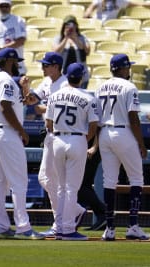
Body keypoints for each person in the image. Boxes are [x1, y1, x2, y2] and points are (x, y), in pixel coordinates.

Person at [0, 48, 44, 240]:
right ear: (9, 61)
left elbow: (20, 102)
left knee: (0, 182)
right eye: (16, 61)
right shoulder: (5, 80)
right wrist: (21, 130)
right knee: (19, 181)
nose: (18, 64)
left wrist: (24, 88)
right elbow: (6, 107)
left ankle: (1, 225)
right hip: (6, 132)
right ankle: (23, 226)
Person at [26, 52, 86, 238]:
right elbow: (32, 102)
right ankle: (71, 211)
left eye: (46, 65)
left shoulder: (65, 83)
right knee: (47, 179)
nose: (43, 67)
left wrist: (48, 105)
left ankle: (60, 221)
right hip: (51, 134)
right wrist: (26, 88)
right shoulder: (46, 82)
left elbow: (49, 107)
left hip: (61, 134)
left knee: (55, 181)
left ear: (56, 66)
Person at [95, 54, 150, 241]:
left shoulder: (101, 86)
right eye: (128, 67)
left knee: (109, 181)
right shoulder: (129, 86)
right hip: (123, 132)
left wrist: (96, 142)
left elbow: (96, 118)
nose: (130, 70)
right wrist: (141, 144)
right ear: (123, 68)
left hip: (104, 133)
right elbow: (134, 118)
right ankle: (133, 225)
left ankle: (109, 228)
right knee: (136, 178)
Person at [45, 62, 98, 240]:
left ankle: (59, 227)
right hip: (77, 139)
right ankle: (67, 229)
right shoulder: (88, 97)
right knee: (71, 188)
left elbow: (48, 124)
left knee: (61, 187)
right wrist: (83, 141)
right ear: (81, 77)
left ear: (67, 75)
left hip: (58, 139)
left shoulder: (55, 95)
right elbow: (93, 126)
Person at [0, 0, 27, 75]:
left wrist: (1, 47)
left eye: (6, 6)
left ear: (10, 7)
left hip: (15, 67)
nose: (4, 8)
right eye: (2, 6)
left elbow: (21, 40)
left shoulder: (18, 20)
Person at [53, 15, 90, 89]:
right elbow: (55, 52)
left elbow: (87, 51)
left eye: (72, 25)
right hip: (63, 75)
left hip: (80, 76)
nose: (70, 28)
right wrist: (66, 38)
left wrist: (75, 38)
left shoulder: (82, 38)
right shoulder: (59, 38)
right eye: (67, 25)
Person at [78, 135, 107, 231]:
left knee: (81, 185)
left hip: (91, 148)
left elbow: (97, 127)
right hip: (83, 146)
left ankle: (104, 213)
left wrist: (95, 146)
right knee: (84, 185)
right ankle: (103, 215)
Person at [84, 0, 150, 25]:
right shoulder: (99, 1)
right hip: (97, 24)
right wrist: (88, 14)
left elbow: (137, 4)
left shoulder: (119, 1)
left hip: (109, 25)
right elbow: (90, 8)